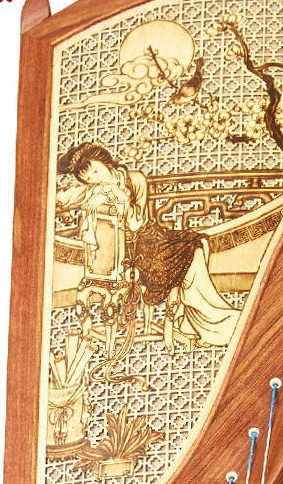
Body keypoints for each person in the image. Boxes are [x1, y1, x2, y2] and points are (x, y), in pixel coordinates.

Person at [56, 142, 239, 351]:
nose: (95, 179)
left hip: (148, 238)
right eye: (89, 179)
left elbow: (138, 220)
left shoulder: (135, 179)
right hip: (127, 251)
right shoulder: (94, 191)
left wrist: (115, 193)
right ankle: (210, 320)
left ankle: (202, 318)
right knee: (191, 251)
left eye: (96, 172)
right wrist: (102, 192)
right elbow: (63, 198)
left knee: (196, 244)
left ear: (106, 162)